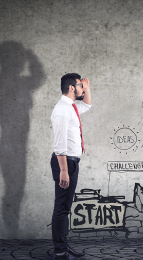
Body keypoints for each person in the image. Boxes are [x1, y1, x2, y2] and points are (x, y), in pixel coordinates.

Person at [50, 73, 91, 260]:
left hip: (71, 163)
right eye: (80, 86)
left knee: (65, 206)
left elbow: (88, 105)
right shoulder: (62, 110)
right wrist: (64, 171)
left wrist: (87, 88)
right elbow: (59, 144)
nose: (83, 89)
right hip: (65, 163)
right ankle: (60, 250)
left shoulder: (71, 107)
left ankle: (63, 246)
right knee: (61, 207)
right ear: (72, 88)